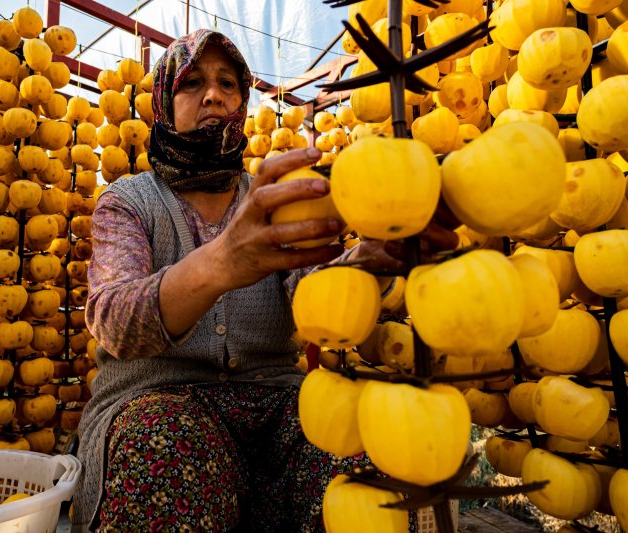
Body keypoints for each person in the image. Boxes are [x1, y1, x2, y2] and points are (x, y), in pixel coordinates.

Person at [72, 29, 451, 532]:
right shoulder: (128, 201)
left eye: (228, 83)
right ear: (163, 104)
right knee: (166, 448)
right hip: (158, 402)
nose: (214, 94)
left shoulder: (274, 198)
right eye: (192, 84)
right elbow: (116, 324)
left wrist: (370, 260)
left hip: (275, 404)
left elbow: (311, 297)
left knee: (360, 467)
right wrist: (223, 260)